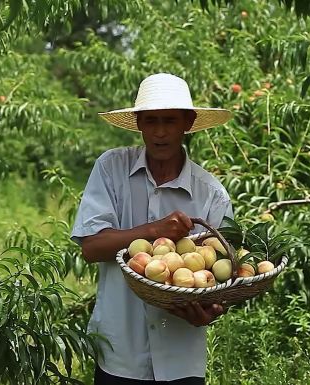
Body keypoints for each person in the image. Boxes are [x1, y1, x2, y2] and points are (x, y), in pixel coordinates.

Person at [70, 73, 234, 384]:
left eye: (170, 121)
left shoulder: (210, 194)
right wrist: (153, 230)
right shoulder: (111, 169)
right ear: (139, 123)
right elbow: (91, 247)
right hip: (120, 354)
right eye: (151, 121)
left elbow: (225, 273)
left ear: (187, 122)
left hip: (181, 359)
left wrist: (213, 308)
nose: (160, 132)